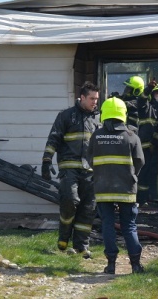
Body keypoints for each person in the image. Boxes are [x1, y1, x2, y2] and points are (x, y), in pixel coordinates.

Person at [42, 81, 100, 257]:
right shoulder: (66, 116)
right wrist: (46, 161)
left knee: (88, 208)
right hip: (69, 169)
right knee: (70, 201)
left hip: (90, 171)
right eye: (91, 99)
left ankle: (82, 246)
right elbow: (53, 139)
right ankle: (64, 237)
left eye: (97, 99)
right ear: (82, 97)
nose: (95, 102)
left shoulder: (99, 118)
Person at [88, 97, 145, 274]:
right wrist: (131, 175)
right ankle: (135, 265)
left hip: (103, 188)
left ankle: (111, 264)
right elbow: (140, 161)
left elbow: (90, 160)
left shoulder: (96, 136)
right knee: (129, 225)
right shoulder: (131, 137)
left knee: (108, 224)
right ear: (123, 114)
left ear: (104, 114)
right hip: (126, 189)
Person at [136, 79, 158, 205]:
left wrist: (155, 142)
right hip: (145, 148)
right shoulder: (146, 107)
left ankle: (153, 197)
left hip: (156, 148)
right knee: (143, 174)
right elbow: (141, 100)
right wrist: (148, 88)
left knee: (154, 174)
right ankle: (141, 199)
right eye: (156, 93)